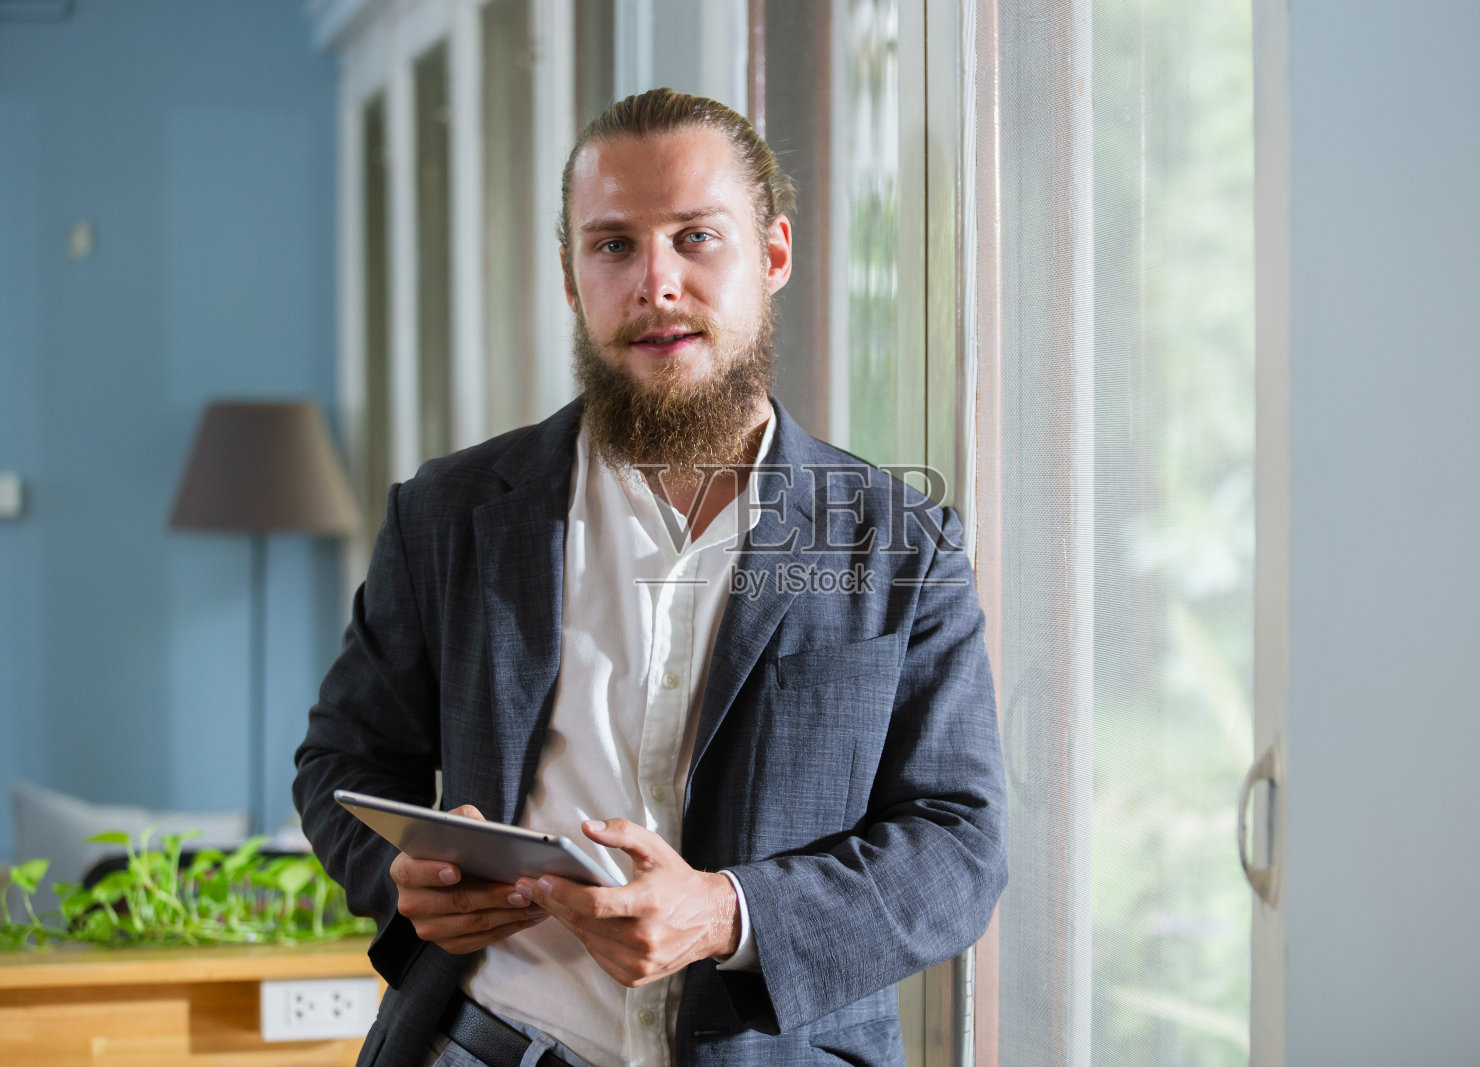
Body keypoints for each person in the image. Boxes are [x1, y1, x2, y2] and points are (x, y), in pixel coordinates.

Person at [294, 88, 1006, 1067]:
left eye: (697, 237)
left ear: (773, 255)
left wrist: (725, 912)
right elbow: (341, 762)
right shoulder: (446, 514)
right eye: (614, 244)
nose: (656, 282)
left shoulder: (902, 542)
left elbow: (958, 845)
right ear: (570, 274)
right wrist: (397, 870)